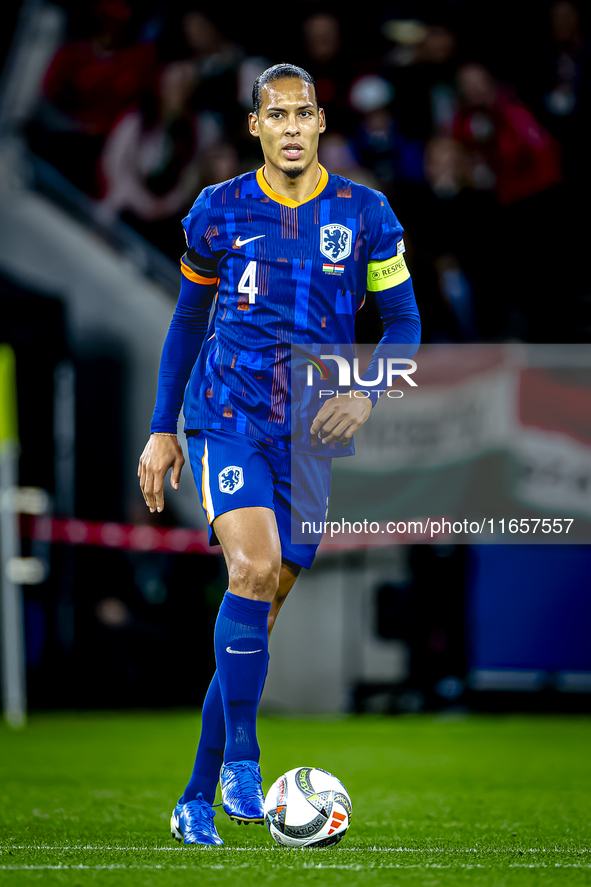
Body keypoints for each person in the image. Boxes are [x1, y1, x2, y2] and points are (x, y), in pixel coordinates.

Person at [138, 63, 420, 846]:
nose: (291, 126)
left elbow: (402, 322)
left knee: (255, 613)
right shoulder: (217, 211)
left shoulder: (365, 214)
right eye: (276, 115)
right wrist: (164, 425)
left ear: (322, 122)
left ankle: (196, 794)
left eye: (303, 113)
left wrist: (364, 389)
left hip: (311, 436)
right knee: (250, 570)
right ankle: (245, 762)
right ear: (254, 127)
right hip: (228, 417)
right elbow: (187, 320)